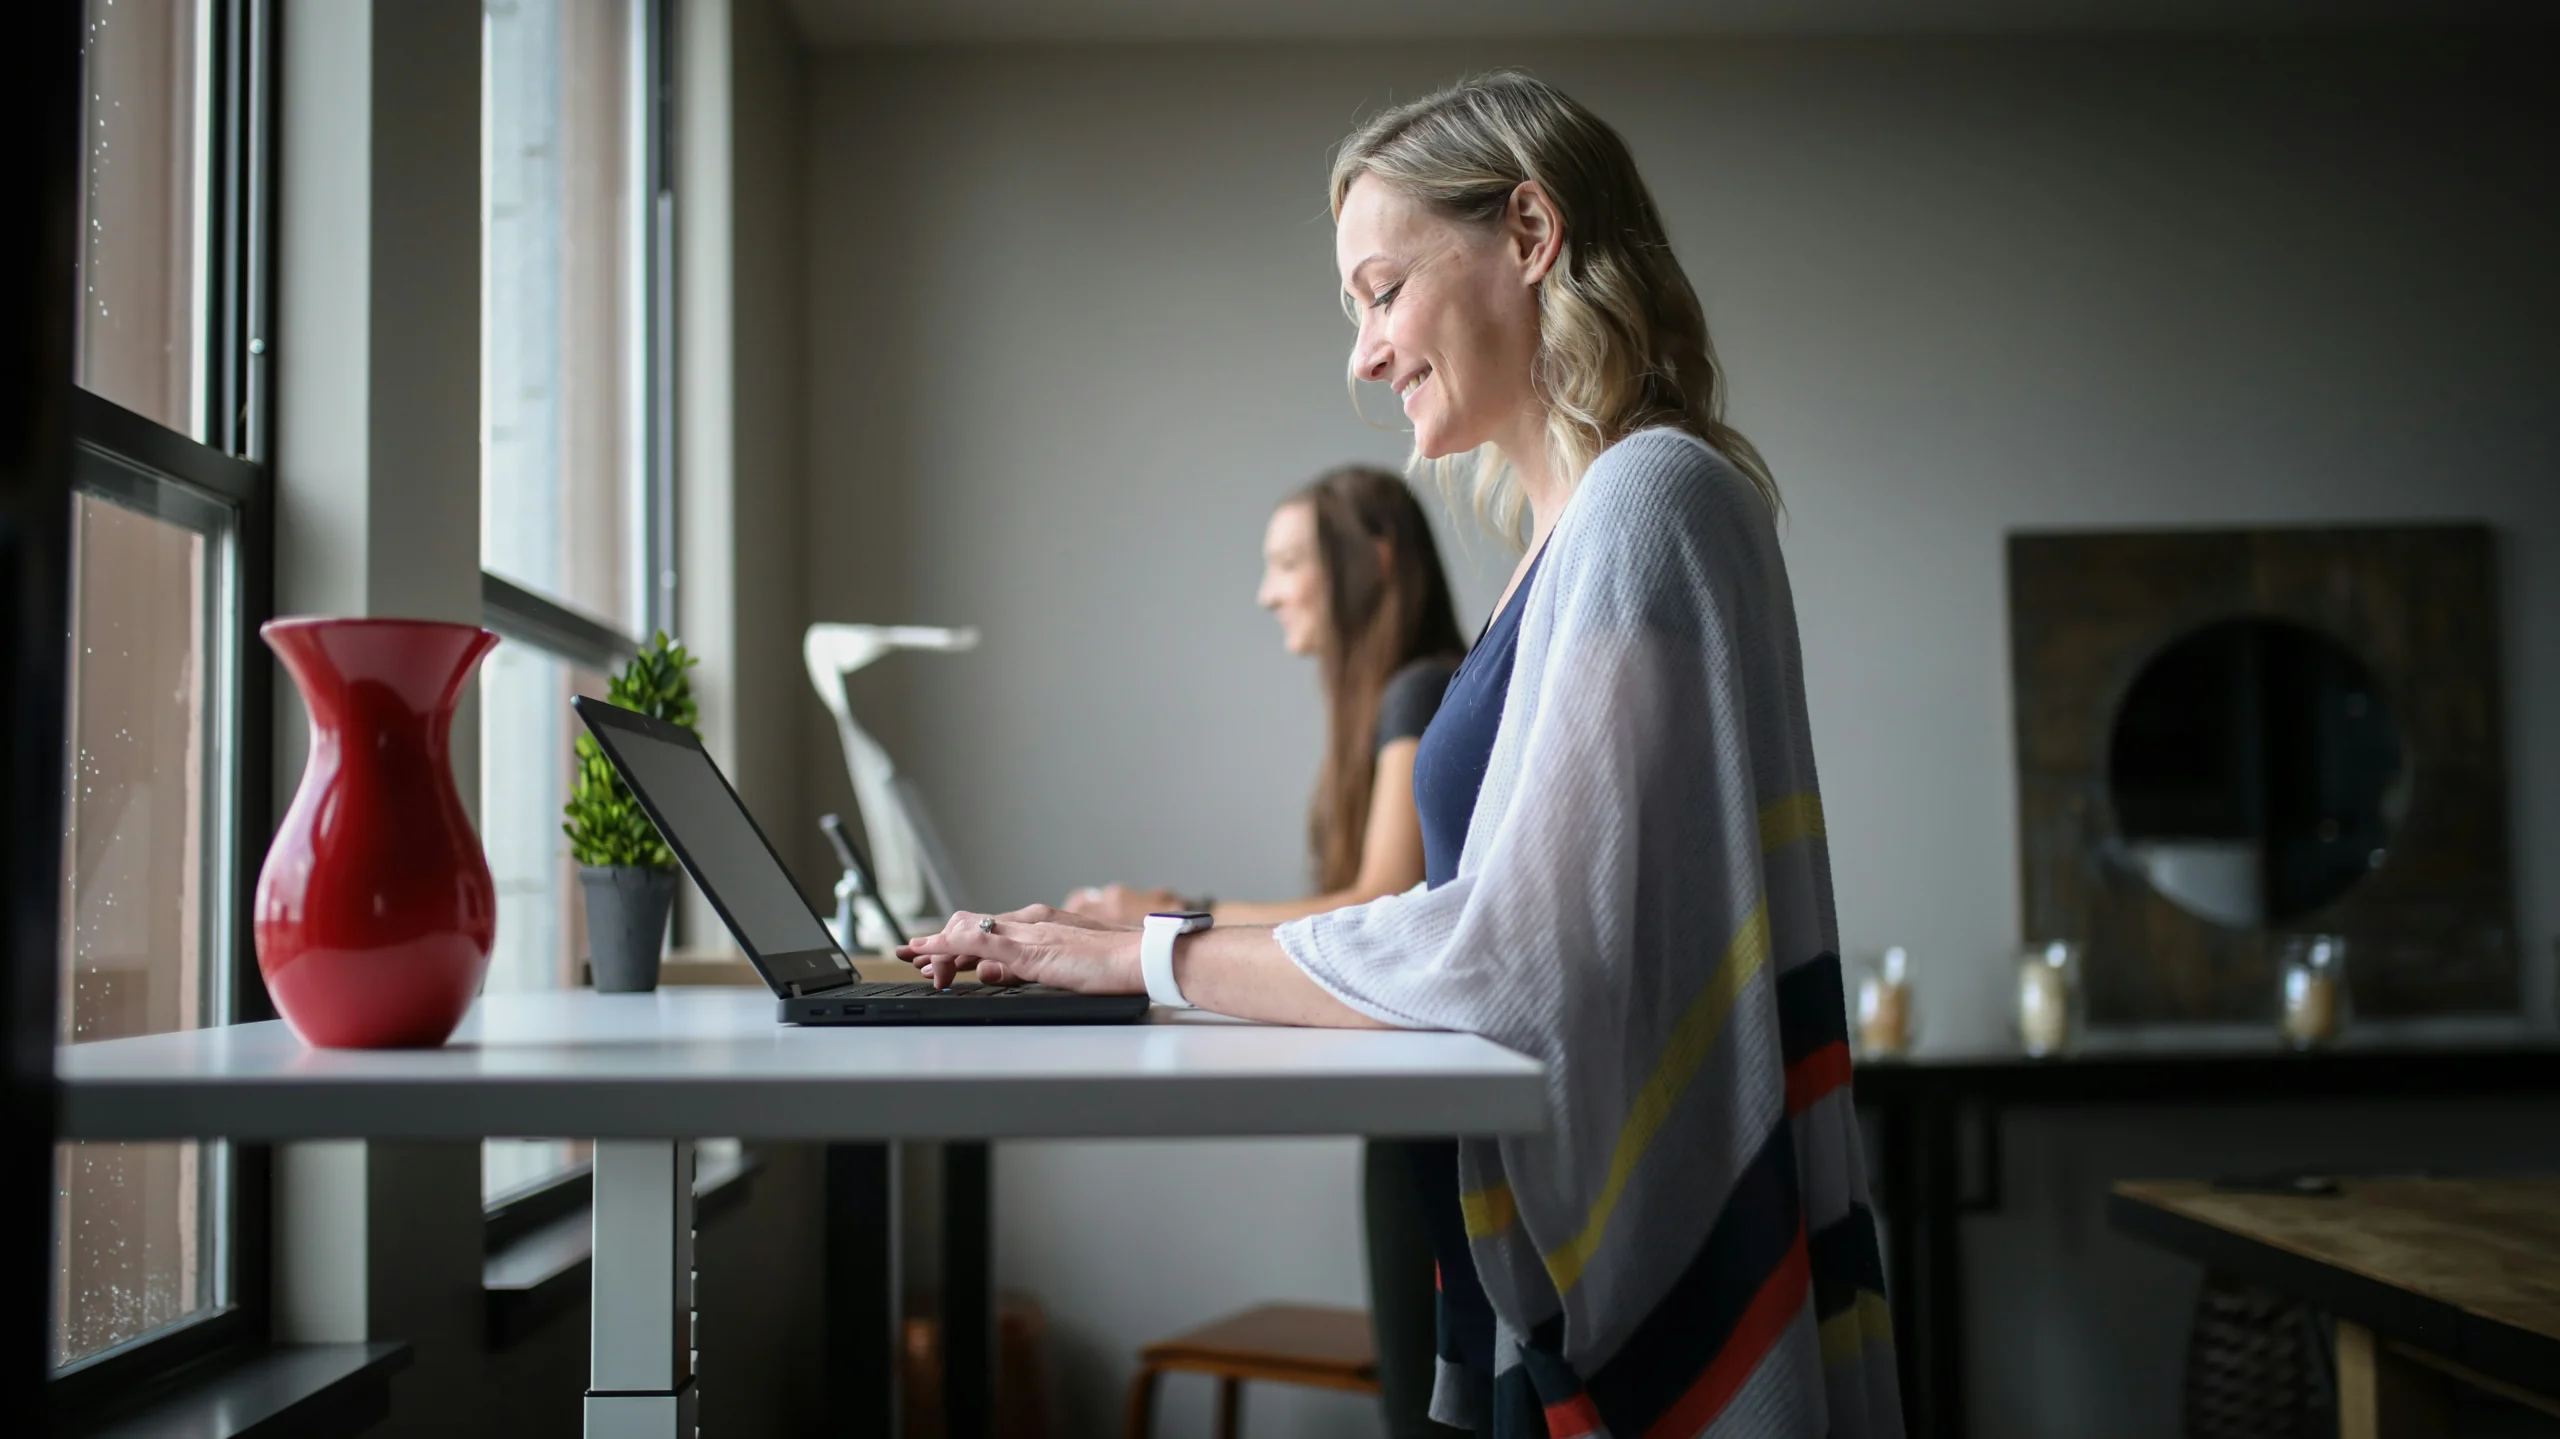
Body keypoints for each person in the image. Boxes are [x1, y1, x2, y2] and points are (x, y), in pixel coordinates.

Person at [903, 70, 1900, 1438]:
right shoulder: (1571, 541)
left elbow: (1520, 955)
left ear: (1532, 234)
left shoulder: (1648, 497)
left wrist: (1145, 953)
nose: (1364, 355)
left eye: (1380, 290)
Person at [1064, 465, 1468, 1437]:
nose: (1267, 588)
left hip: (1437, 1115)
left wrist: (1170, 921)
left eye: (1288, 560)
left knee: (1426, 1408)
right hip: (1431, 1089)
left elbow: (1379, 902)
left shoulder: (1419, 685)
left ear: (1371, 558)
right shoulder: (1403, 692)